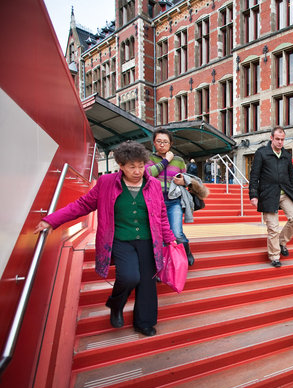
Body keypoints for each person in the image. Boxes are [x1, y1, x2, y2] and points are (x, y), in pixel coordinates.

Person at [34, 142, 175, 337]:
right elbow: (82, 205)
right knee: (129, 277)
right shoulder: (106, 182)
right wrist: (52, 220)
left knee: (147, 283)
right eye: (132, 167)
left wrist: (170, 239)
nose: (137, 171)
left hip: (148, 240)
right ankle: (116, 304)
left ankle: (144, 322)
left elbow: (161, 214)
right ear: (121, 166)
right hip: (119, 240)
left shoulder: (154, 185)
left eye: (141, 166)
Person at [249, 126, 293, 268]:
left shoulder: (286, 155)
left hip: (285, 193)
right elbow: (254, 176)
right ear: (271, 138)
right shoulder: (262, 153)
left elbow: (292, 176)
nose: (280, 142)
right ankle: (275, 256)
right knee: (273, 227)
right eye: (277, 139)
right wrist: (253, 195)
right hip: (268, 194)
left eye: (282, 140)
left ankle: (281, 241)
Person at [145, 129, 195, 266]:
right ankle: (163, 263)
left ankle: (186, 251)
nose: (162, 144)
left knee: (177, 232)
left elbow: (185, 178)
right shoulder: (149, 159)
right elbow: (149, 173)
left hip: (174, 201)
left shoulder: (179, 161)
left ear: (171, 143)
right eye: (159, 141)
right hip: (155, 202)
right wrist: (166, 160)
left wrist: (183, 181)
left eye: (165, 142)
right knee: (159, 235)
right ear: (154, 143)